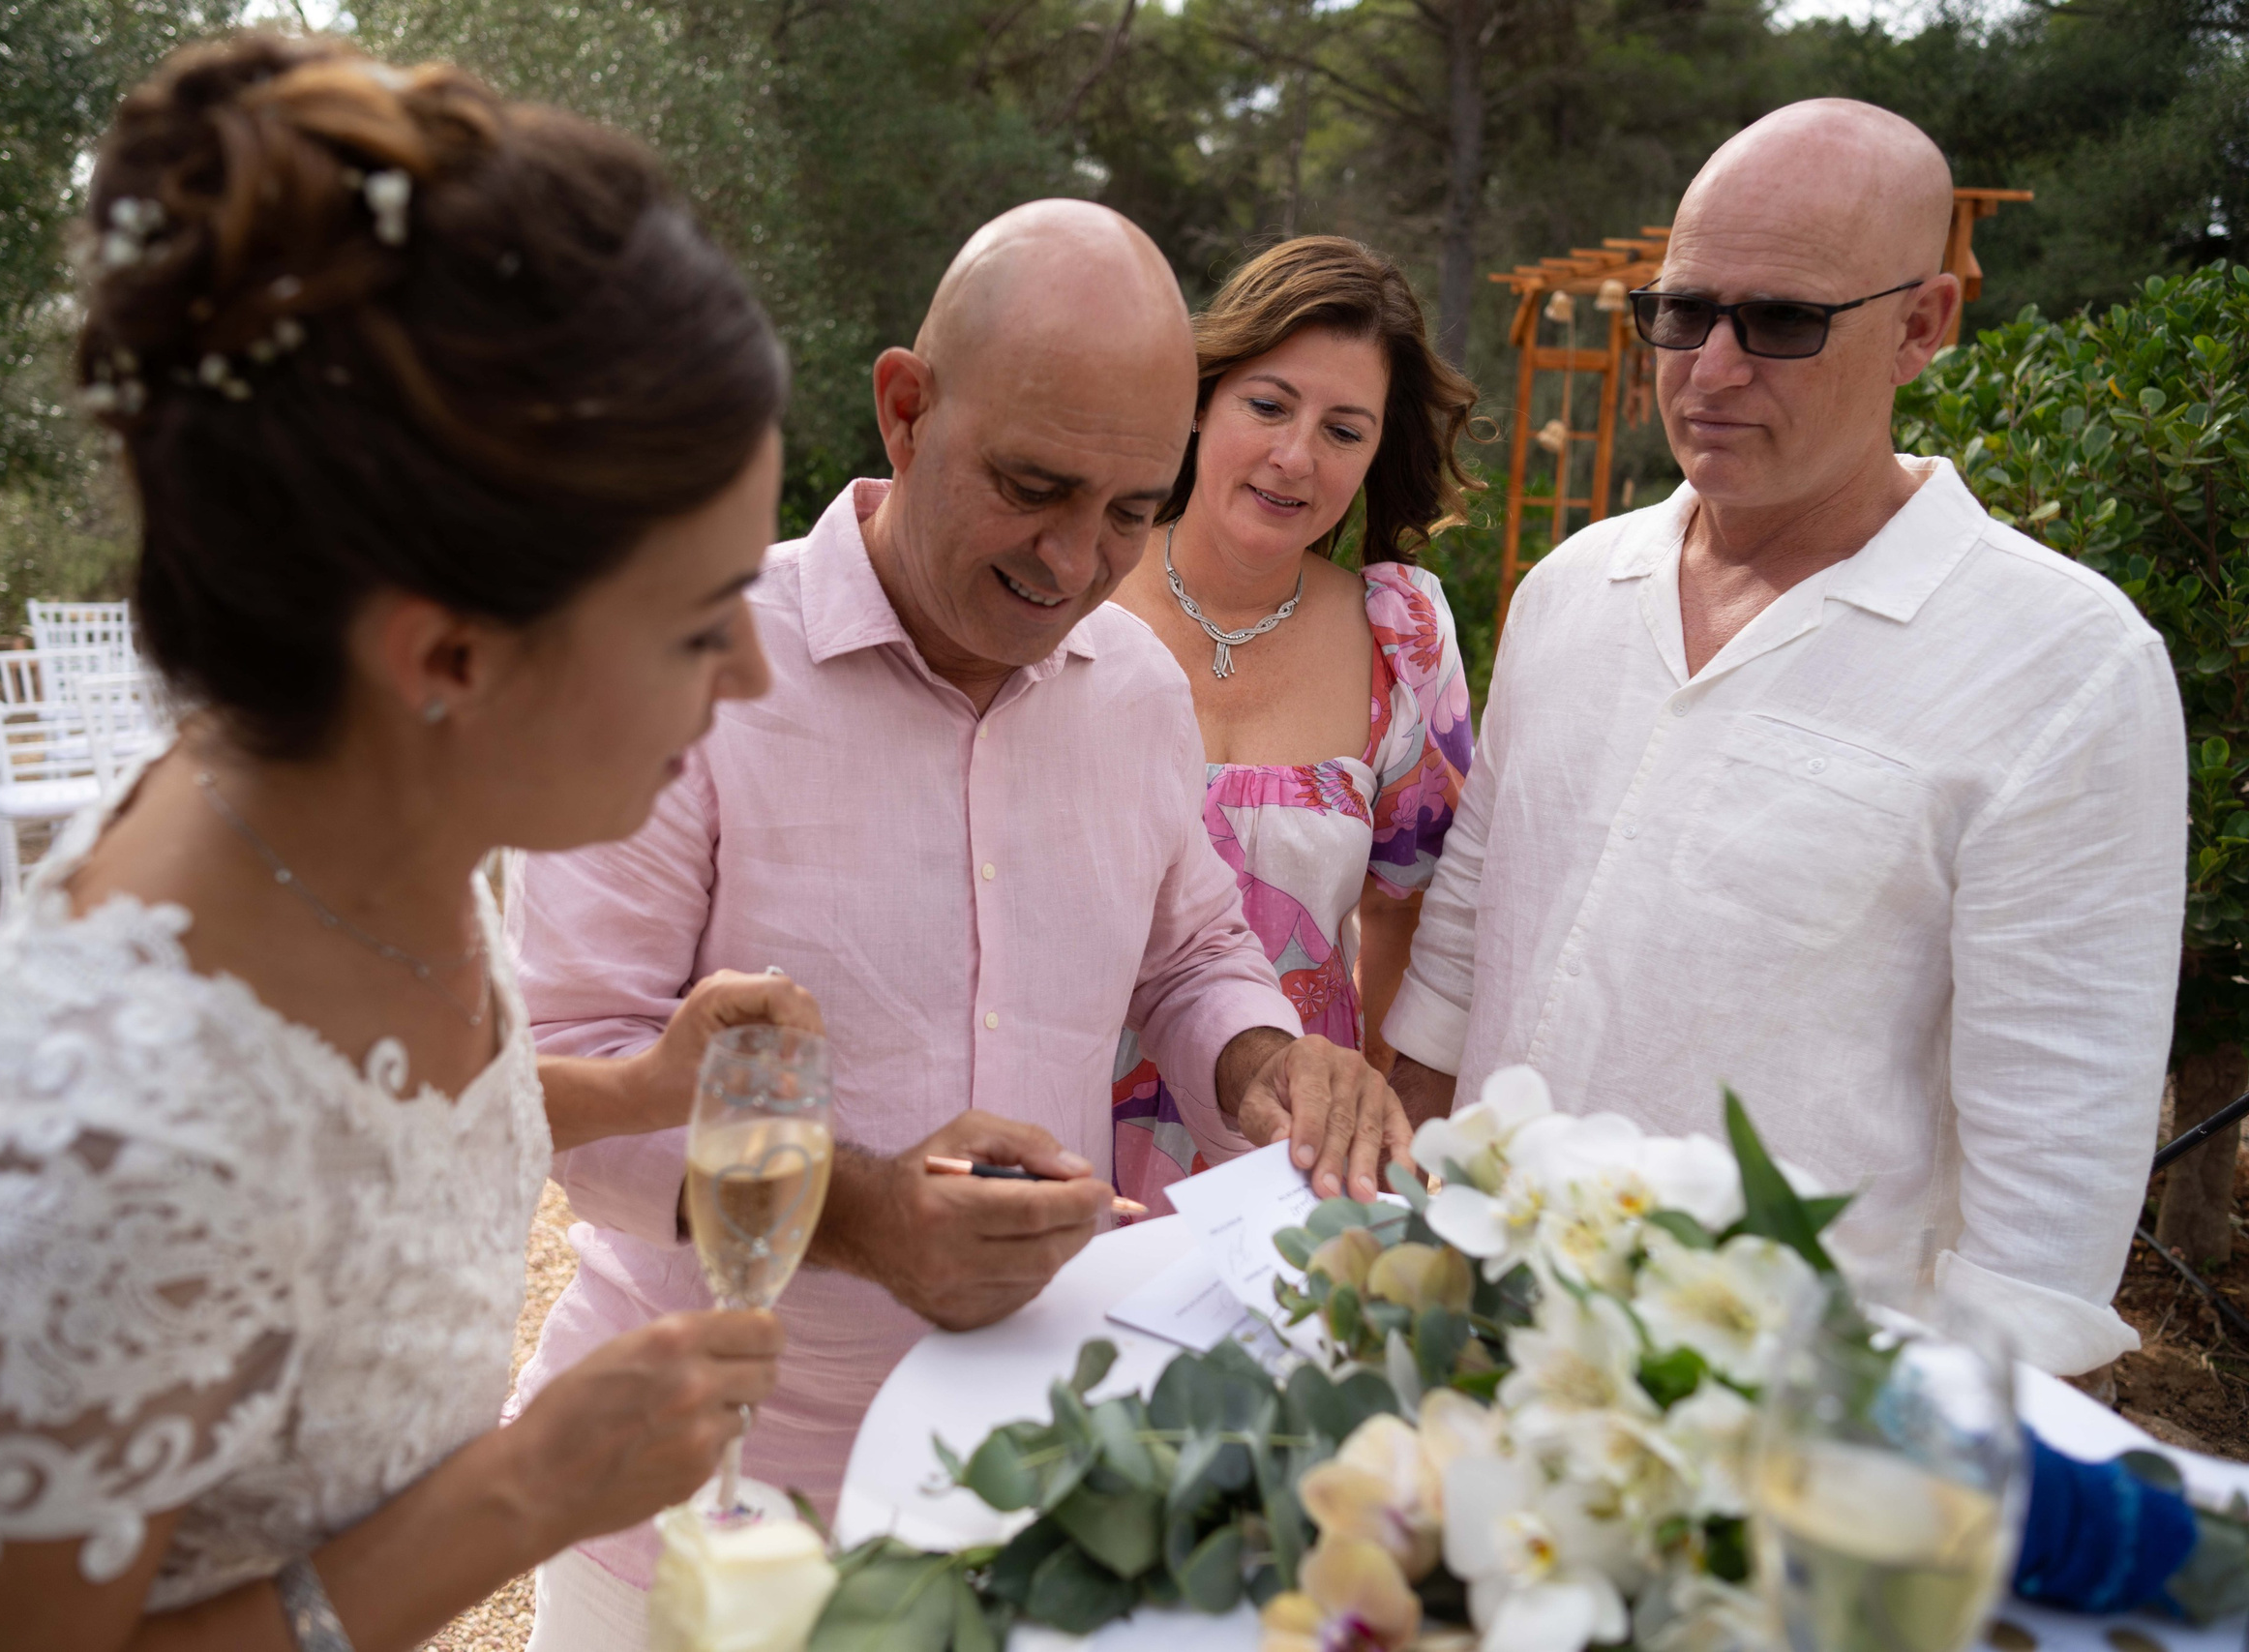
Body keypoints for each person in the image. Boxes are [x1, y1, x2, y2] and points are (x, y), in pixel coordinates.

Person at [0, 35, 818, 1650]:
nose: (756, 675)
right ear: (446, 661)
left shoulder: (365, 807)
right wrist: (524, 1491)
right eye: (705, 627)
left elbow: (353, 1145)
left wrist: (626, 1095)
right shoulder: (97, 1163)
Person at [506, 199, 1416, 1645]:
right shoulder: (682, 663)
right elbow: (557, 1077)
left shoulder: (1129, 687)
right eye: (1035, 486)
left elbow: (1191, 951)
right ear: (906, 408)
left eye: (1131, 508)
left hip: (1009, 1489)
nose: (1075, 563)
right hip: (693, 1496)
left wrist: (1265, 1060)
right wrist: (861, 1211)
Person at [1381, 98, 2187, 1377]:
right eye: (1684, 311)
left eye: (1781, 323)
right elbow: (1473, 928)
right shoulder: (1571, 590)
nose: (1710, 368)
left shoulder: (2065, 668)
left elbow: (2053, 1174)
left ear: (1925, 322)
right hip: (1487, 1333)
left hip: (1781, 1425)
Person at [1106, 236, 1478, 1214]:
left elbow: (1409, 914)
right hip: (1056, 1142)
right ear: (1200, 399)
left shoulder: (1402, 640)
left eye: (1342, 431)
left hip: (1282, 1176)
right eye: (1267, 405)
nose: (1294, 457)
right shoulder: (1069, 596)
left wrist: (1379, 1144)